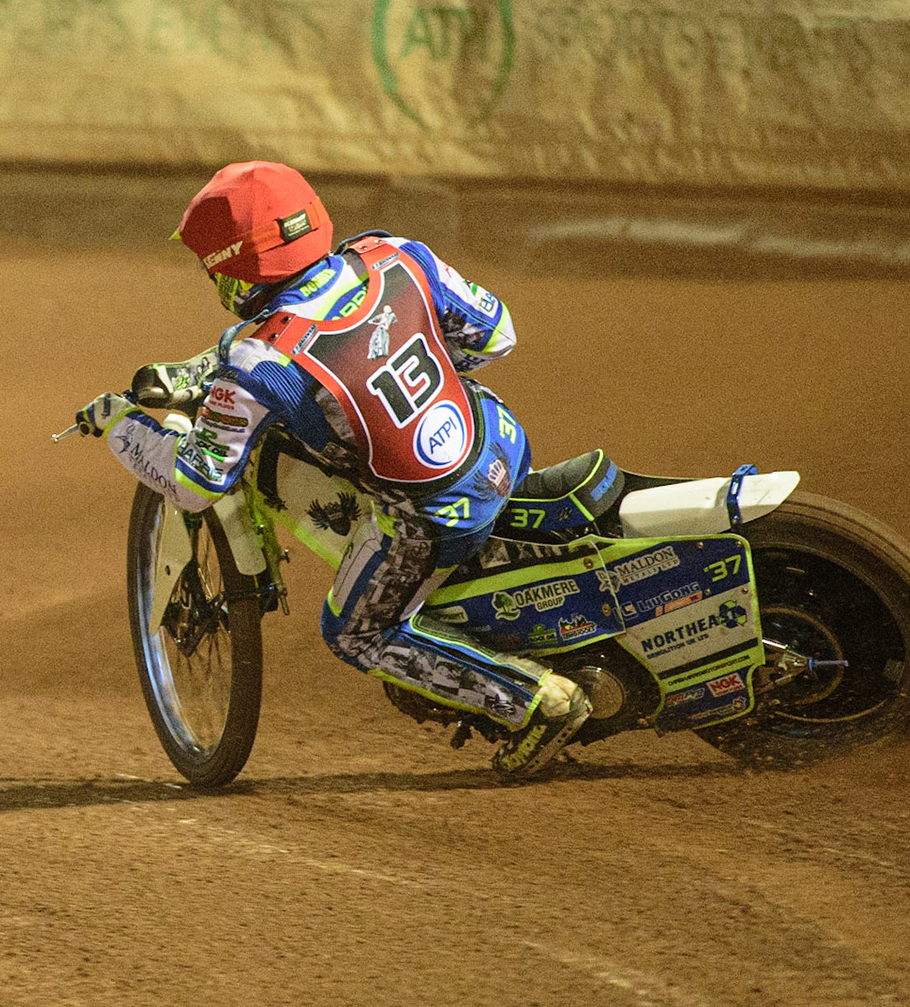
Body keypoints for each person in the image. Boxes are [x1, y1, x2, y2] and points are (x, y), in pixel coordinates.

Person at [74, 161, 591, 778]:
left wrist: (120, 425)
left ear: (234, 269)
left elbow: (193, 483)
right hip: (501, 439)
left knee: (355, 632)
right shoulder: (396, 255)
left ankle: (535, 701)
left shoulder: (260, 362)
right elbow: (494, 337)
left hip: (435, 515)